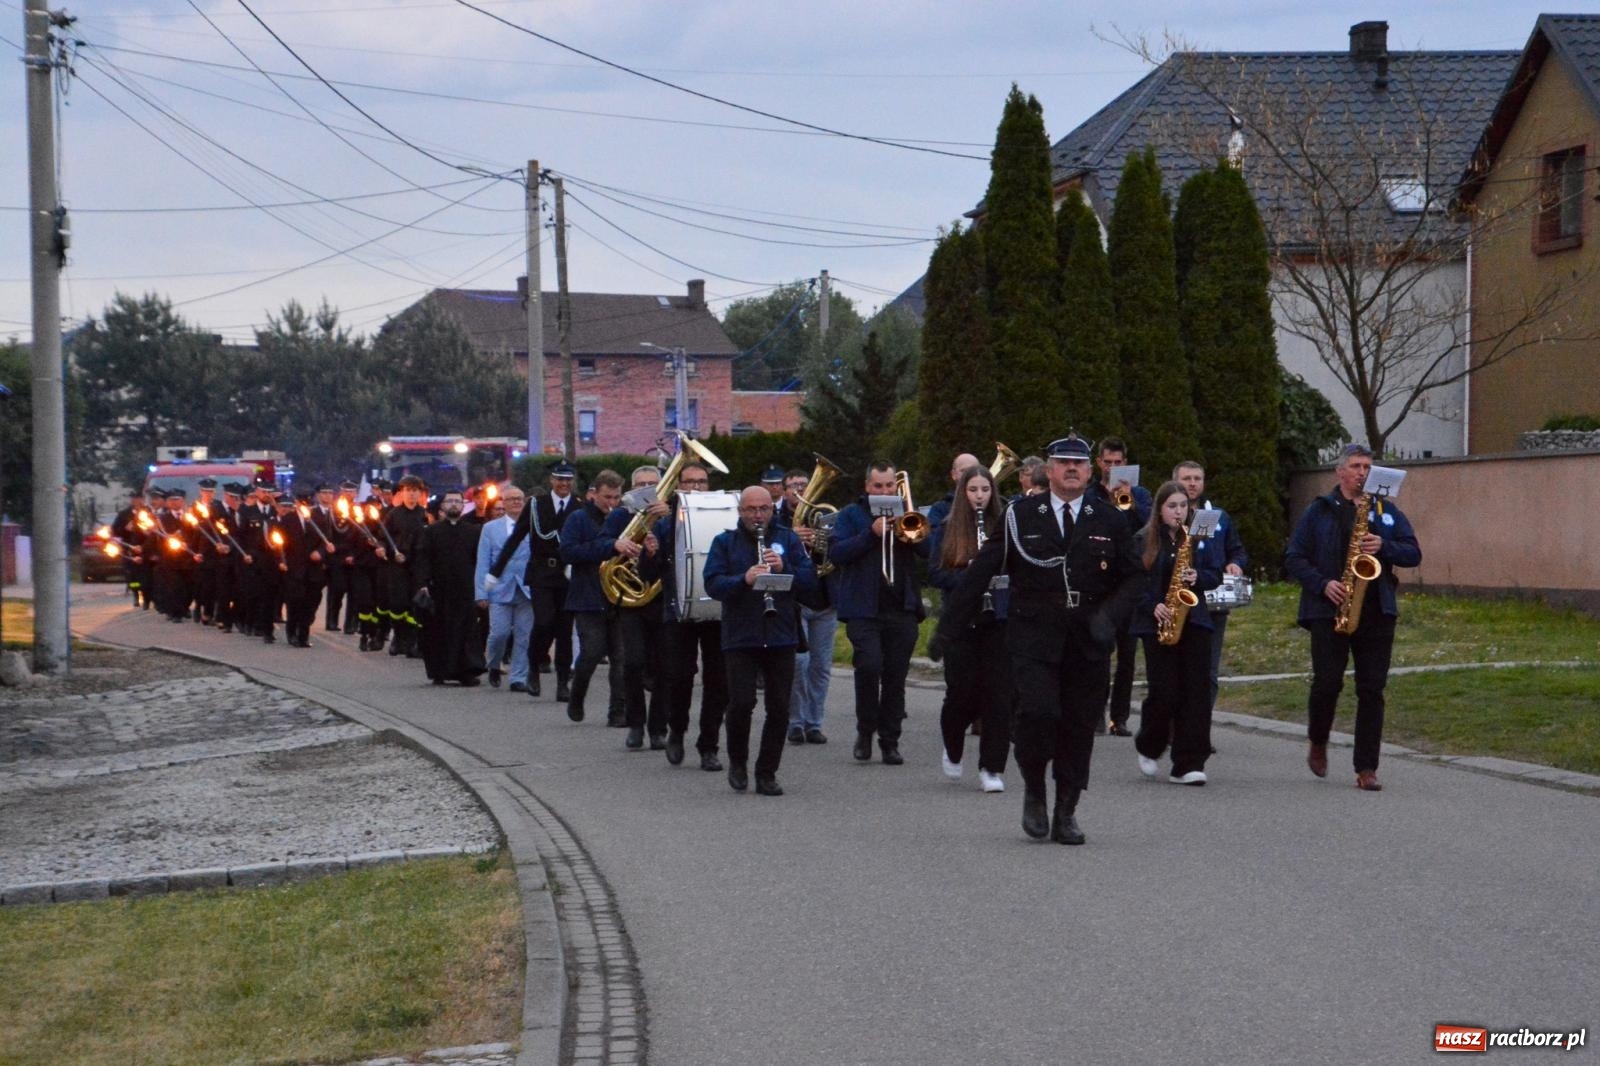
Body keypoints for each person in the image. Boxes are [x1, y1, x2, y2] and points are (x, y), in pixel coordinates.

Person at [930, 434, 1143, 846]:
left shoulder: (1109, 518)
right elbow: (980, 573)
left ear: (1089, 469)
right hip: (1034, 635)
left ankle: (1067, 809)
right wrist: (948, 629)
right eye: (1063, 462)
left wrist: (1110, 617)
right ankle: (1034, 790)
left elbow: (1134, 576)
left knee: (1079, 725)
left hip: (1087, 637)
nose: (1071, 469)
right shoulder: (1020, 515)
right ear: (1049, 468)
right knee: (1039, 714)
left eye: (1079, 464)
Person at [1284, 444, 1421, 792]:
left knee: (1372, 689)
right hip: (1329, 609)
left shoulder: (1385, 511)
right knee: (1327, 682)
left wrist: (1383, 546)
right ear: (1340, 472)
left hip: (1377, 609)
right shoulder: (1320, 511)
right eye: (1356, 466)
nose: (1363, 473)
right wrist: (1322, 583)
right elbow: (1294, 557)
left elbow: (1413, 552)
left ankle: (1366, 768)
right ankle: (1318, 739)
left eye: (1367, 467)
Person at [703, 485, 817, 795]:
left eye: (764, 509)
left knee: (779, 707)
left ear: (772, 510)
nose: (758, 515)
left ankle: (767, 772)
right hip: (740, 635)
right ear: (740, 511)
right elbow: (712, 584)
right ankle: (738, 762)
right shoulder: (725, 542)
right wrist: (745, 578)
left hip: (780, 634)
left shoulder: (788, 539)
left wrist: (785, 569)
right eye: (751, 509)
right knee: (741, 703)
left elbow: (810, 582)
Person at [827, 461, 929, 766]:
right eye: (878, 486)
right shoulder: (850, 515)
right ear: (867, 487)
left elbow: (929, 551)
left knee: (896, 678)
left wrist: (910, 532)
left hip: (902, 609)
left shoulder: (906, 513)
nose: (884, 492)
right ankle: (865, 731)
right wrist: (870, 534)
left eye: (889, 486)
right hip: (863, 610)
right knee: (869, 667)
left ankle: (890, 741)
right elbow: (837, 554)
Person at [639, 462, 729, 769]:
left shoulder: (722, 519)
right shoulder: (665, 524)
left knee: (718, 681)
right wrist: (649, 554)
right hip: (678, 610)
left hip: (717, 611)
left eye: (702, 482)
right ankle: (676, 730)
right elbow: (647, 574)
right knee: (679, 677)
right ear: (679, 486)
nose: (696, 487)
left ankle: (709, 746)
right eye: (690, 482)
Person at [1131, 482, 1222, 785]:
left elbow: (1215, 572)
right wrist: (1152, 604)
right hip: (1157, 622)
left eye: (1183, 506)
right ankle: (1149, 743)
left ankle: (1188, 763)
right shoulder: (1143, 540)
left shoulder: (1198, 537)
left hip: (1195, 620)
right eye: (1173, 506)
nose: (1179, 512)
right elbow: (1132, 582)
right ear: (1160, 509)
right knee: (1165, 692)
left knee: (1196, 692)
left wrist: (1200, 576)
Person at [928, 465, 1011, 793]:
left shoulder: (1003, 527)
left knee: (999, 697)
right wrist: (969, 576)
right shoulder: (948, 528)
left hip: (997, 621)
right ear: (964, 493)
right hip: (961, 622)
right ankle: (952, 745)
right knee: (961, 694)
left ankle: (992, 767)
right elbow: (935, 574)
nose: (980, 496)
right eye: (973, 490)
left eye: (985, 490)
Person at [487, 461, 579, 700]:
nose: (564, 484)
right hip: (541, 574)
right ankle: (534, 668)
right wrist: (495, 571)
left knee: (565, 630)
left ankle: (562, 682)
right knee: (544, 622)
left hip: (568, 575)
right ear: (551, 480)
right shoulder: (537, 505)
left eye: (568, 480)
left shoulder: (579, 507)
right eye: (559, 479)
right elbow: (516, 538)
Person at [1085, 436, 1152, 737]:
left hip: (1129, 581)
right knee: (1098, 650)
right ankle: (1095, 712)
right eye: (1107, 462)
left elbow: (1149, 528)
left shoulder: (1140, 494)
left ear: (1126, 463)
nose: (1113, 467)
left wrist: (1130, 501)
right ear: (1099, 463)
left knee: (1127, 654)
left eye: (1118, 462)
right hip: (1099, 581)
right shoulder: (1090, 496)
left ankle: (1120, 717)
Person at [1173, 461, 1248, 714]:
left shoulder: (1218, 516)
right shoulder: (1167, 515)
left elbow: (1236, 550)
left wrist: (1235, 564)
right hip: (1179, 601)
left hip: (1212, 602)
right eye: (1186, 478)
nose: (1192, 483)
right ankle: (1176, 725)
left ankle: (1199, 728)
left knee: (1209, 671)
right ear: (1175, 481)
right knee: (1179, 668)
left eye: (1197, 478)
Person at [606, 465, 671, 750]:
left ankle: (658, 728)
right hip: (631, 601)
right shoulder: (620, 515)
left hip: (662, 598)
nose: (646, 489)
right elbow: (599, 543)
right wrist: (615, 543)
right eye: (640, 484)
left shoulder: (669, 517)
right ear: (632, 489)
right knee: (632, 663)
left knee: (662, 666)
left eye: (652, 484)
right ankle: (635, 724)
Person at [559, 469, 631, 724]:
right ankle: (577, 696)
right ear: (594, 494)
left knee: (621, 658)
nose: (612, 503)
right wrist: (609, 547)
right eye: (607, 497)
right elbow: (567, 552)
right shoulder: (578, 519)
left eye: (616, 497)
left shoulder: (625, 519)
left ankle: (618, 711)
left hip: (620, 597)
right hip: (588, 596)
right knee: (591, 652)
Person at [780, 469, 837, 747]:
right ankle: (795, 722)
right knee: (799, 664)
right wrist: (792, 538)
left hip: (825, 600)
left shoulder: (824, 518)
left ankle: (815, 723)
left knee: (821, 666)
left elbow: (837, 555)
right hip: (796, 601)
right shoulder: (778, 522)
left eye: (804, 485)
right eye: (793, 486)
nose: (800, 490)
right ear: (783, 491)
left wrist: (822, 542)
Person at [414, 490, 486, 686]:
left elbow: (479, 561)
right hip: (440, 589)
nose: (454, 504)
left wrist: (482, 586)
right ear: (443, 506)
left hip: (465, 589)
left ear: (463, 506)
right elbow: (423, 559)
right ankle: (440, 670)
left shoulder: (473, 532)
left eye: (457, 501)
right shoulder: (431, 532)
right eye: (450, 501)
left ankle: (467, 671)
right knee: (440, 630)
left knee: (467, 631)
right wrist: (423, 584)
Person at [476, 484, 536, 693]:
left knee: (524, 635)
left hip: (527, 589)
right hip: (499, 589)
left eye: (520, 498)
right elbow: (483, 562)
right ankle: (493, 664)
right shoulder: (490, 529)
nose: (516, 502)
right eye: (511, 499)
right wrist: (481, 592)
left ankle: (518, 677)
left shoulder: (534, 526)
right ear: (503, 502)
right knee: (499, 634)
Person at [383, 475, 430, 658]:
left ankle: (411, 642)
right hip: (398, 566)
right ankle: (398, 637)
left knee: (414, 605)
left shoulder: (424, 515)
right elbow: (384, 537)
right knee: (398, 604)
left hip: (417, 566)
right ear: (402, 493)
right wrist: (386, 551)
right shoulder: (394, 515)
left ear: (420, 493)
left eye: (415, 490)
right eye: (408, 490)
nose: (411, 494)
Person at [926, 452, 981, 530]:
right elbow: (933, 540)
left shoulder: (993, 504)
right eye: (964, 471)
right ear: (953, 474)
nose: (969, 475)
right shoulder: (939, 509)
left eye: (973, 470)